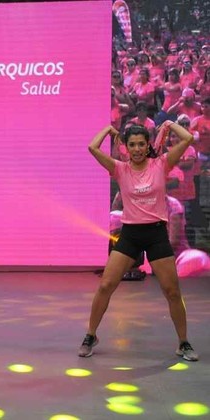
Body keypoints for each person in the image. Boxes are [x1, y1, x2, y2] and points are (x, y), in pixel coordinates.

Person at [80, 123, 199, 361]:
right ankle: (91, 335)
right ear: (127, 147)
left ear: (147, 146)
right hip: (130, 235)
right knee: (106, 285)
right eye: (132, 144)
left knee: (172, 291)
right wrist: (108, 129)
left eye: (141, 144)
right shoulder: (120, 169)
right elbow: (93, 148)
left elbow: (187, 139)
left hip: (156, 234)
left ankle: (183, 343)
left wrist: (169, 125)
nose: (137, 149)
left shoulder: (161, 164)